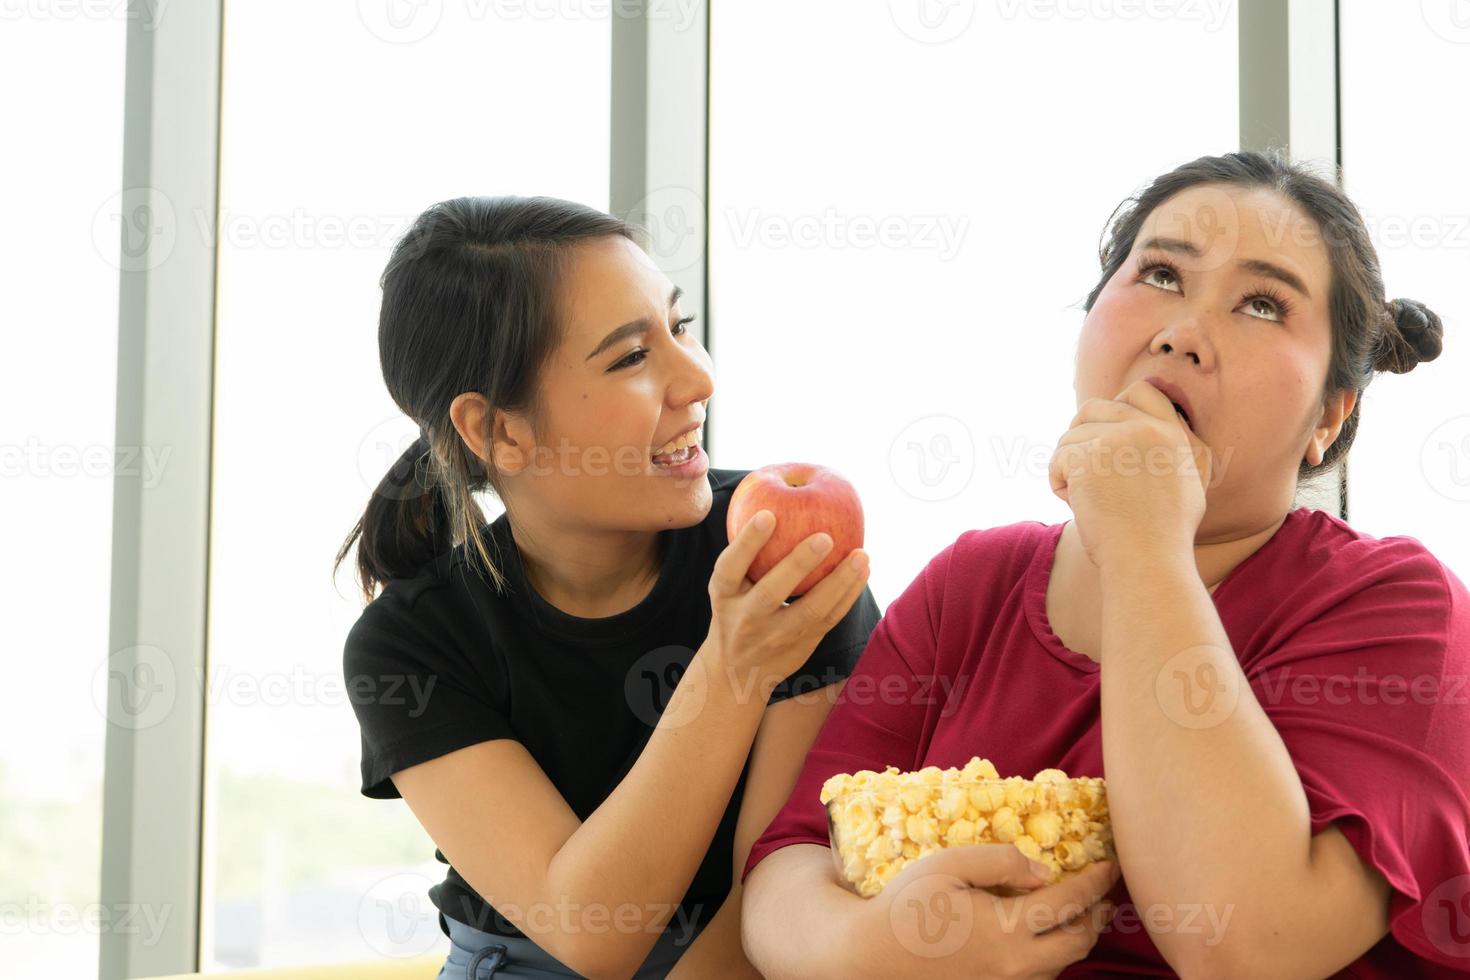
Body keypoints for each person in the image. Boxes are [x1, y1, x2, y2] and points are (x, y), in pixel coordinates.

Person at [740, 150, 1470, 978]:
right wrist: (864, 949)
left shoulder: (1401, 607)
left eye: (1263, 305)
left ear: (1329, 420)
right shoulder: (969, 585)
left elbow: (1244, 947)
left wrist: (1146, 542)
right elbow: (793, 857)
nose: (1184, 333)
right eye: (1161, 274)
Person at [336, 196, 880, 978]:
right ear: (498, 432)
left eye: (679, 327)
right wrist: (734, 668)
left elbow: (776, 892)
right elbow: (591, 930)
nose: (698, 379)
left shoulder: (778, 554)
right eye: (631, 358)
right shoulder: (409, 645)